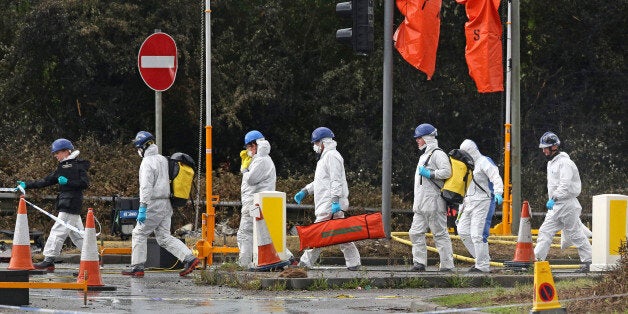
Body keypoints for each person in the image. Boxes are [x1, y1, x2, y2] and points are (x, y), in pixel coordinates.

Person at [122, 131, 199, 278]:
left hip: (153, 204)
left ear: (142, 147)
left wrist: (143, 207)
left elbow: (146, 187)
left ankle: (137, 267)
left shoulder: (147, 163)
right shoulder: (164, 160)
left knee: (139, 233)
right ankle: (189, 258)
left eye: (138, 148)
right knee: (164, 237)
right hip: (167, 203)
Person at [15, 138, 90, 271]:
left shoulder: (78, 166)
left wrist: (68, 182)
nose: (55, 156)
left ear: (66, 151)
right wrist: (27, 184)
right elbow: (46, 181)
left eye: (57, 153)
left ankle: (49, 259)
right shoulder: (62, 167)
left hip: (71, 204)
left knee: (58, 230)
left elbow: (85, 184)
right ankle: (93, 258)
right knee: (78, 235)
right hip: (67, 202)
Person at [293, 127, 361, 271]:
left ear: (323, 142)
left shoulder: (332, 156)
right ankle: (354, 263)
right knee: (343, 235)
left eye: (316, 142)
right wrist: (305, 191)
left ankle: (305, 263)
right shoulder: (325, 157)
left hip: (330, 204)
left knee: (318, 233)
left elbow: (336, 181)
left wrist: (335, 201)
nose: (314, 145)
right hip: (329, 204)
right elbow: (320, 181)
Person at [534, 131, 592, 272]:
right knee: (544, 231)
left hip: (566, 204)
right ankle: (536, 260)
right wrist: (553, 200)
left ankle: (589, 262)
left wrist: (554, 198)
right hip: (555, 206)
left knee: (575, 234)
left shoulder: (565, 163)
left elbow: (564, 185)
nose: (543, 150)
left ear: (554, 147)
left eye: (546, 147)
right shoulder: (551, 163)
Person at [237, 130, 294, 269]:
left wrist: (244, 169)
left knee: (245, 233)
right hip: (258, 202)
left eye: (249, 146)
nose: (248, 150)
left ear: (255, 144)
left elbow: (251, 180)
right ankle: (287, 256)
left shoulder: (261, 160)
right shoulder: (260, 159)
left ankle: (243, 264)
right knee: (264, 233)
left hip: (255, 203)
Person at [408, 123, 454, 272]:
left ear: (428, 138)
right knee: (415, 233)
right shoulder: (424, 156)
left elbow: (447, 172)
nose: (417, 140)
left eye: (419, 138)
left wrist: (431, 174)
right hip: (421, 204)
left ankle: (447, 265)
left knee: (440, 234)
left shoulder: (438, 154)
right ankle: (419, 263)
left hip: (434, 203)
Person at [457, 139, 504, 273]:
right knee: (463, 230)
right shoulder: (466, 165)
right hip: (468, 202)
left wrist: (499, 192)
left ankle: (482, 266)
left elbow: (495, 176)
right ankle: (481, 259)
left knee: (478, 234)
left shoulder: (484, 162)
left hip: (483, 201)